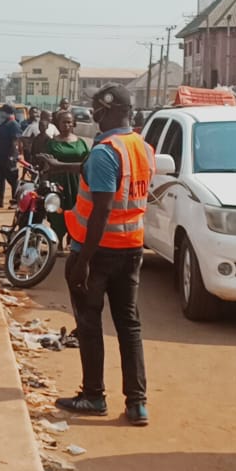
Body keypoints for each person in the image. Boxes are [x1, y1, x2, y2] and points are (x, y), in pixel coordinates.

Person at [38, 84, 154, 426]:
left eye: (94, 111)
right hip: (131, 248)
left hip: (99, 252)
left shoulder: (106, 150)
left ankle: (93, 396)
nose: (92, 117)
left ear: (107, 110)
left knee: (89, 325)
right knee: (129, 326)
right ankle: (137, 403)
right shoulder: (141, 147)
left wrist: (82, 260)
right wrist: (64, 166)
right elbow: (109, 181)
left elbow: (102, 207)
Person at [44, 110, 89, 249]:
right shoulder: (52, 143)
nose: (66, 125)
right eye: (63, 122)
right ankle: (58, 244)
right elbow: (47, 164)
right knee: (58, 212)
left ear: (73, 124)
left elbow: (87, 163)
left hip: (77, 183)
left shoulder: (81, 142)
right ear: (58, 124)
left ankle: (73, 242)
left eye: (69, 122)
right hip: (58, 183)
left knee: (76, 212)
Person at [0, 104, 22, 207]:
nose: (0, 114)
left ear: (7, 113)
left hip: (8, 157)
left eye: (2, 112)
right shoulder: (4, 124)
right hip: (0, 156)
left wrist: (12, 157)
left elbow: (15, 142)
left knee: (13, 180)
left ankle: (15, 201)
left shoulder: (14, 124)